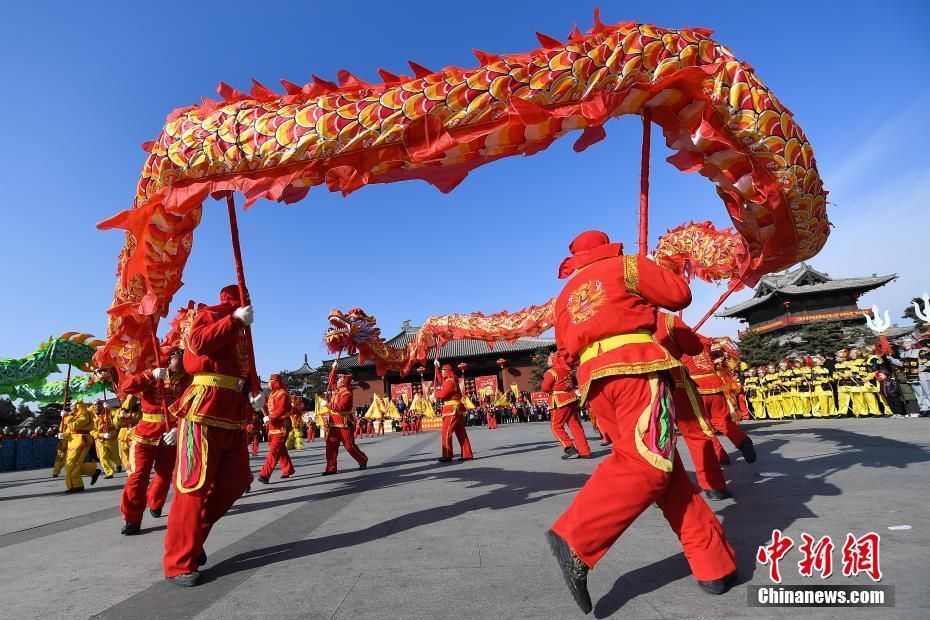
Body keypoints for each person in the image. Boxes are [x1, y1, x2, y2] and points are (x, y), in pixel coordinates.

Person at [544, 231, 737, 614]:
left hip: (595, 385)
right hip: (636, 368)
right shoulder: (627, 266)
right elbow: (679, 295)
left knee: (667, 473)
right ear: (608, 246)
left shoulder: (564, 297)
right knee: (647, 462)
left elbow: (565, 352)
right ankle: (575, 537)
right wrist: (658, 269)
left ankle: (713, 564)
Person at [162, 285, 264, 587]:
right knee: (192, 485)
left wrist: (253, 391)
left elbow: (243, 369)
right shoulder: (211, 315)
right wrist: (232, 320)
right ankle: (178, 562)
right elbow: (197, 344)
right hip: (203, 410)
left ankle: (192, 538)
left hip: (233, 413)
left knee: (238, 480)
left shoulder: (244, 331)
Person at [655, 312, 730, 500]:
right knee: (696, 433)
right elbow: (694, 347)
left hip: (638, 385)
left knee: (653, 438)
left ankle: (659, 488)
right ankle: (713, 485)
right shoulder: (665, 319)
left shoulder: (612, 321)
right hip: (675, 379)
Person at [119, 347, 191, 534]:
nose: (183, 361)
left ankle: (155, 502)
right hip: (145, 435)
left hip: (170, 436)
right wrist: (150, 376)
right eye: (179, 357)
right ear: (170, 358)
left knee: (164, 474)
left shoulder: (188, 380)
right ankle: (132, 519)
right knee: (138, 477)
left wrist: (178, 429)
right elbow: (126, 388)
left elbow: (191, 408)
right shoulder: (154, 373)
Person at [683, 337, 756, 466]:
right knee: (722, 421)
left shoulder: (676, 342)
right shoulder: (703, 340)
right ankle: (742, 440)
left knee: (704, 426)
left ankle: (720, 455)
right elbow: (715, 342)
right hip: (715, 385)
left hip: (697, 387)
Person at [541, 353, 590, 460]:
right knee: (575, 426)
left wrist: (552, 390)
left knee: (556, 426)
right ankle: (585, 451)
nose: (547, 362)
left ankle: (569, 449)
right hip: (571, 399)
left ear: (554, 360)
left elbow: (545, 387)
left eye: (549, 359)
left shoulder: (551, 372)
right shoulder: (568, 371)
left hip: (559, 401)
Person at [322, 374, 368, 475]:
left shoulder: (347, 393)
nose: (337, 381)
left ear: (343, 383)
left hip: (344, 423)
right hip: (333, 424)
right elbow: (331, 380)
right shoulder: (337, 390)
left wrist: (328, 404)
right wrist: (334, 369)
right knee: (330, 447)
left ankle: (362, 459)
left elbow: (341, 407)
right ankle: (331, 468)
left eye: (339, 380)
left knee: (349, 446)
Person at [258, 374, 295, 483]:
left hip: (282, 426)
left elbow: (280, 410)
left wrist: (269, 417)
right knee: (280, 450)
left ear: (275, 382)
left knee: (274, 451)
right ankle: (288, 469)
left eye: (270, 381)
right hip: (273, 426)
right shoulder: (272, 394)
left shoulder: (283, 394)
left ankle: (264, 475)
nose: (269, 383)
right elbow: (267, 402)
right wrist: (259, 397)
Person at [434, 362, 474, 462]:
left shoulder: (450, 382)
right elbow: (440, 379)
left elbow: (442, 395)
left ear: (447, 371)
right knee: (461, 433)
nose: (442, 372)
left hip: (452, 410)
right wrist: (437, 368)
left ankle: (447, 455)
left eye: (443, 370)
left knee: (446, 432)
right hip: (456, 409)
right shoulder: (449, 380)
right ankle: (467, 454)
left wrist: (435, 394)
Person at [59, 401, 102, 492]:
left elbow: (76, 425)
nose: (70, 407)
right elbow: (70, 429)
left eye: (72, 406)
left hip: (81, 441)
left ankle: (76, 485)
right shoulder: (74, 416)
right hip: (72, 442)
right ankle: (91, 471)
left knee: (72, 464)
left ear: (78, 406)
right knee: (70, 465)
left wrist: (66, 416)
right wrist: (64, 434)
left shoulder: (85, 414)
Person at [91, 400, 119, 478]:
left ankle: (118, 464)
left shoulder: (108, 411)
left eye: (99, 405)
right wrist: (102, 435)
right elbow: (92, 431)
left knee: (114, 454)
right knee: (103, 457)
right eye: (95, 405)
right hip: (100, 439)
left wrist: (110, 408)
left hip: (111, 437)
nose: (97, 406)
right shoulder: (91, 416)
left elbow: (117, 415)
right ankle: (109, 472)